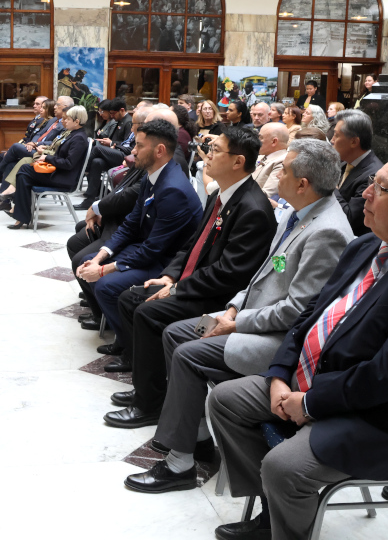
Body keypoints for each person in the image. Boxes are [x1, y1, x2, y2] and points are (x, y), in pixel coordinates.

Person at [208, 148, 388, 540]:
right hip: (320, 379)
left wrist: (311, 403)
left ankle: (288, 518)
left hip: (381, 417)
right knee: (224, 401)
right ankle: (274, 512)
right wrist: (280, 374)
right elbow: (309, 315)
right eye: (370, 183)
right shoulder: (366, 245)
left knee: (285, 467)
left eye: (380, 188)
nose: (364, 193)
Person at [123, 139, 353, 494]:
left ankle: (179, 462)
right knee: (177, 332)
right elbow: (263, 274)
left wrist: (237, 322)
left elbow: (298, 311)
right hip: (245, 317)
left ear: (303, 183)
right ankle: (196, 431)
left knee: (188, 353)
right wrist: (233, 306)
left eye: (283, 170)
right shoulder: (297, 213)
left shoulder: (327, 232)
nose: (277, 174)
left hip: (276, 341)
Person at [102, 127, 276, 413]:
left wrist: (179, 288)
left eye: (216, 150)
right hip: (193, 283)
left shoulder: (252, 208)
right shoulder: (223, 194)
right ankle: (148, 384)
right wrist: (170, 275)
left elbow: (228, 273)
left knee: (147, 312)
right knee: (129, 298)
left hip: (218, 299)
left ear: (238, 161)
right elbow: (193, 244)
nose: (207, 155)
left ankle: (150, 404)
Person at [76, 120, 203, 343]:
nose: (133, 151)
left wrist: (104, 270)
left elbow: (153, 250)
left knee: (105, 285)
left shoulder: (173, 189)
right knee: (87, 260)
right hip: (147, 250)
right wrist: (99, 258)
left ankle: (130, 347)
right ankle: (119, 329)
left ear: (159, 150)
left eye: (139, 146)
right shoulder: (152, 175)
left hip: (166, 262)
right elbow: (131, 224)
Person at [6, 105, 89, 229]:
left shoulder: (79, 139)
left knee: (24, 170)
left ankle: (20, 214)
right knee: (24, 176)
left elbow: (68, 164)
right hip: (58, 173)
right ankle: (20, 215)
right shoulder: (73, 134)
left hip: (64, 178)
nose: (64, 121)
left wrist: (47, 158)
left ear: (77, 122)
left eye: (68, 119)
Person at [75, 98, 137, 210]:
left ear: (121, 110)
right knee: (96, 162)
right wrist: (111, 143)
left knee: (97, 150)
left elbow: (129, 146)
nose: (112, 116)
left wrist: (113, 143)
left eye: (113, 113)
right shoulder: (120, 121)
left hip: (124, 156)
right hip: (115, 152)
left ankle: (84, 171)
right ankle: (90, 199)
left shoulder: (129, 122)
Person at [331, 109, 383, 236]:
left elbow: (350, 218)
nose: (332, 140)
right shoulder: (345, 162)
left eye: (337, 135)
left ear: (354, 142)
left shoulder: (373, 175)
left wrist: (329, 183)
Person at [0, 97, 51, 183]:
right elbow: (28, 136)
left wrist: (33, 144)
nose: (34, 106)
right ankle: (2, 180)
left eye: (38, 104)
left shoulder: (45, 121)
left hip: (36, 149)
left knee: (9, 154)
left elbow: (38, 136)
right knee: (3, 155)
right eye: (34, 103)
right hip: (30, 144)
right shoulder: (38, 119)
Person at [253, 123, 289, 200]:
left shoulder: (283, 161)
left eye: (260, 137)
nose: (257, 141)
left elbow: (266, 194)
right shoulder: (261, 156)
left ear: (274, 142)